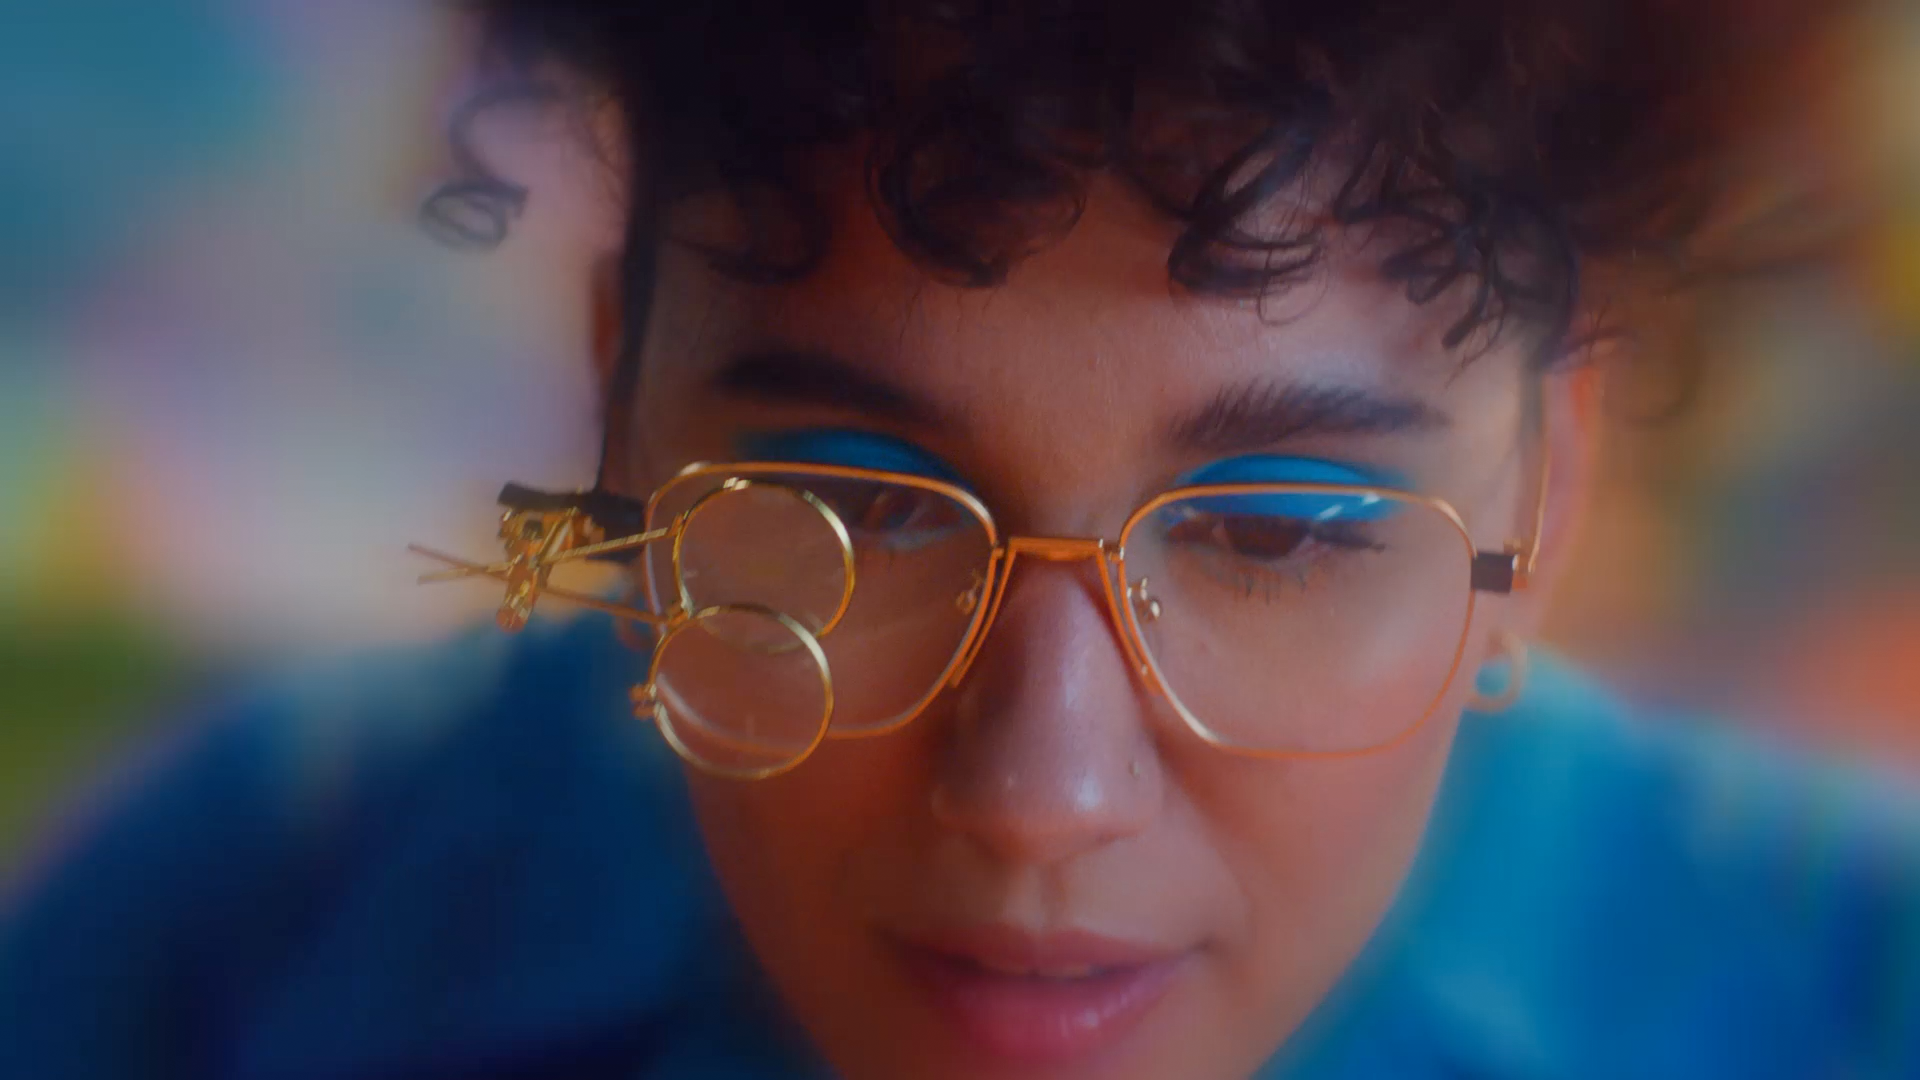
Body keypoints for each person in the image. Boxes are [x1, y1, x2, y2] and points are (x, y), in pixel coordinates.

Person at [3, 1, 1913, 1078]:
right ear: (623, 425)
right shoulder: (242, 939)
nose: (1040, 795)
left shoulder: (1859, 994)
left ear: (1538, 504)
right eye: (854, 503)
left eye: (1277, 532)